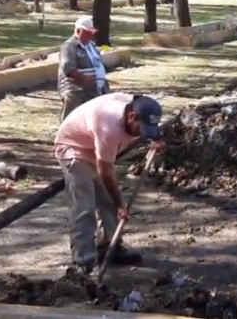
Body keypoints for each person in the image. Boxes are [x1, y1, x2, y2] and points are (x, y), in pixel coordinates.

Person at [54, 93, 166, 274]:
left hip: (96, 145)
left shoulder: (136, 106)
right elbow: (105, 172)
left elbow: (148, 122)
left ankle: (109, 247)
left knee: (108, 201)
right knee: (85, 205)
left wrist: (156, 137)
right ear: (131, 117)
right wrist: (120, 204)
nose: (141, 133)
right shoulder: (109, 126)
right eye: (141, 128)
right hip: (74, 147)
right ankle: (83, 260)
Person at [58, 16, 110, 121]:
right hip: (76, 91)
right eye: (88, 32)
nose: (91, 35)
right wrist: (82, 78)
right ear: (78, 30)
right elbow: (68, 68)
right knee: (71, 119)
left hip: (93, 91)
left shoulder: (91, 45)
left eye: (92, 32)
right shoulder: (69, 46)